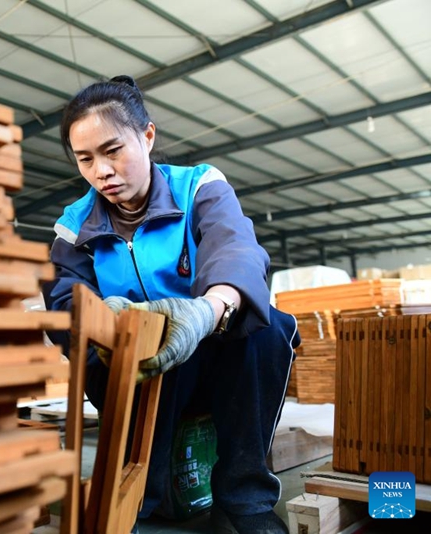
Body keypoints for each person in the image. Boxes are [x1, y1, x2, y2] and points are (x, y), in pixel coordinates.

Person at [43, 75, 300, 534]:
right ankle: (140, 494)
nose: (102, 171)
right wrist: (103, 325)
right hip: (134, 374)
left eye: (112, 150)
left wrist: (206, 311)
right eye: (85, 159)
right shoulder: (73, 228)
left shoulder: (200, 187)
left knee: (270, 328)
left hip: (212, 362)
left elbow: (235, 249)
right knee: (145, 499)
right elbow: (64, 300)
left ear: (147, 136)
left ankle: (243, 500)